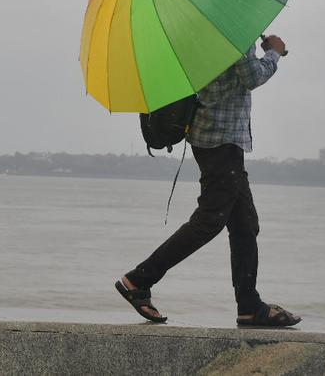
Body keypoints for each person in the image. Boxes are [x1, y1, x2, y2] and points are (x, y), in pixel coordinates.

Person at [115, 35, 300, 327]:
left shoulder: (197, 30)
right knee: (208, 222)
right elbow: (252, 76)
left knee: (245, 224)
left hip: (214, 138)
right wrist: (273, 53)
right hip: (221, 141)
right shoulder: (230, 27)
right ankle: (138, 280)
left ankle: (249, 307)